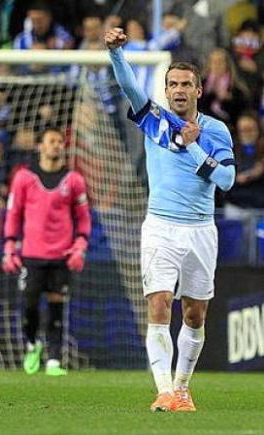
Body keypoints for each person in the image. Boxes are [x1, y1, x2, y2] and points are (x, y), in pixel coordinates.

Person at [105, 27, 236, 412]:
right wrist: (115, 53)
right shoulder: (153, 119)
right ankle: (163, 390)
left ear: (199, 91)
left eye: (186, 84)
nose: (179, 89)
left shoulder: (215, 130)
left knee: (194, 315)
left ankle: (181, 388)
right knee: (159, 302)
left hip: (200, 229)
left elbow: (226, 180)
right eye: (172, 84)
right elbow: (129, 84)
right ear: (166, 90)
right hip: (160, 225)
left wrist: (195, 147)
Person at [2, 127, 91, 376]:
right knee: (29, 305)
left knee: (56, 306)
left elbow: (83, 218)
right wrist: (9, 245)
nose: (56, 146)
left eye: (60, 142)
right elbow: (13, 213)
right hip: (32, 254)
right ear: (40, 146)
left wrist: (80, 246)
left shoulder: (73, 180)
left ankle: (54, 359)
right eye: (51, 141)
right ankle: (32, 344)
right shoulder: (24, 178)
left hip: (61, 255)